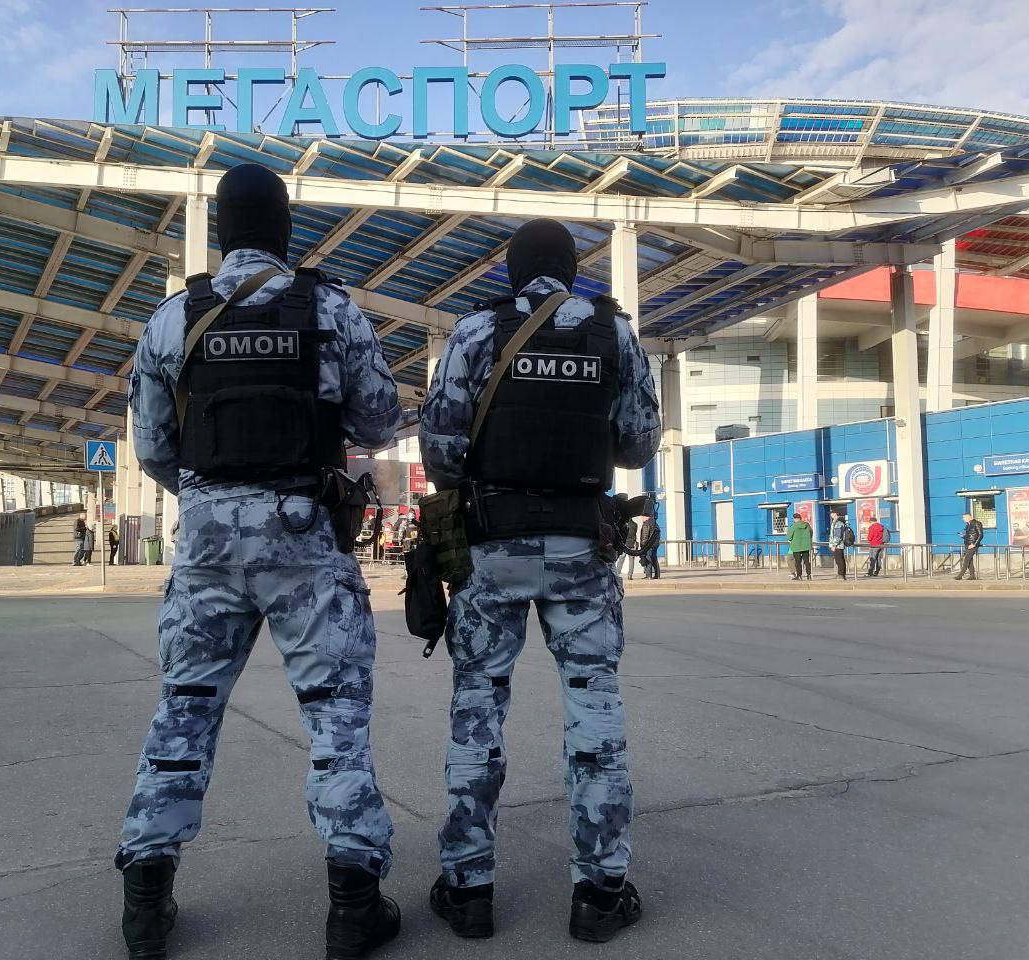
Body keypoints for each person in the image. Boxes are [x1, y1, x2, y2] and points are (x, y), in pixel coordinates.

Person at [116, 163, 402, 960]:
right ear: (283, 229)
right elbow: (381, 422)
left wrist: (213, 497)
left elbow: (152, 447)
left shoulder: (174, 318)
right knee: (336, 720)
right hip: (306, 539)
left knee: (184, 711)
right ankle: (353, 908)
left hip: (208, 544)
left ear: (221, 232)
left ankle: (145, 904)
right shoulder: (331, 309)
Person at [420, 218, 660, 944]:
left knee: (478, 709)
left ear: (512, 272)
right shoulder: (614, 334)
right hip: (582, 547)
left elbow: (440, 449)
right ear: (574, 270)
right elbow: (639, 441)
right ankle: (600, 892)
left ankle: (468, 889)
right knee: (594, 709)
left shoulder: (474, 331)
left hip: (493, 545)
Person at [954, 511, 984, 581]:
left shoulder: (977, 523)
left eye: (964, 517)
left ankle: (960, 575)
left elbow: (980, 535)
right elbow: (969, 536)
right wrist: (963, 536)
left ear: (969, 517)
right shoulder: (968, 525)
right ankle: (972, 575)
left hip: (973, 545)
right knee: (970, 560)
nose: (963, 519)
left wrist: (974, 544)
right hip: (967, 544)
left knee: (966, 559)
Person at [613, 513, 640, 580]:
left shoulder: (624, 524)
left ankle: (617, 573)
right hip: (632, 544)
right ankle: (630, 575)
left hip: (624, 544)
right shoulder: (635, 524)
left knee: (621, 559)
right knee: (631, 560)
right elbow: (634, 534)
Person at [787, 512, 813, 580]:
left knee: (798, 562)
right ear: (800, 518)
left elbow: (789, 537)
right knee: (807, 561)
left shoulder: (793, 526)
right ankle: (809, 575)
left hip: (796, 547)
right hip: (806, 546)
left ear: (794, 519)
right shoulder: (807, 525)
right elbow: (811, 533)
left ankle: (799, 576)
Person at [637, 509, 661, 579]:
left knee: (648, 559)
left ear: (646, 517)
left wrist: (642, 546)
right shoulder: (656, 524)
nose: (642, 518)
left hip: (648, 545)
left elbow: (644, 537)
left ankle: (648, 575)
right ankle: (657, 575)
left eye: (643, 516)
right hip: (655, 545)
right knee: (654, 559)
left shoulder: (646, 524)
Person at [828, 510, 849, 580]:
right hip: (838, 545)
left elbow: (838, 535)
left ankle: (841, 575)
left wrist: (834, 545)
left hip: (838, 545)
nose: (831, 515)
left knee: (839, 560)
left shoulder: (838, 523)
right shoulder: (837, 522)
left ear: (835, 514)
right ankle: (841, 574)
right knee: (840, 560)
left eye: (832, 513)